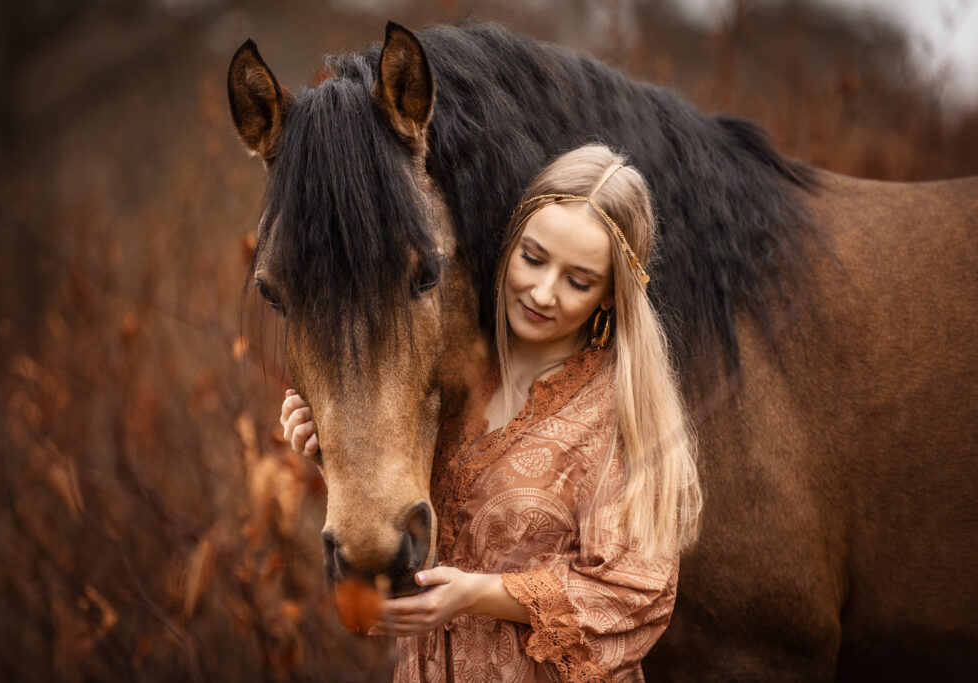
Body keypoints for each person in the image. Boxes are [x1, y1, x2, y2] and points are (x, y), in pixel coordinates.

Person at [280, 144, 703, 682]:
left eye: (578, 281)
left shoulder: (617, 413)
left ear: (609, 297)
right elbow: (399, 548)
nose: (543, 292)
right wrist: (331, 454)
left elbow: (636, 593)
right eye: (533, 257)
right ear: (509, 246)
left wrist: (478, 596)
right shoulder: (449, 385)